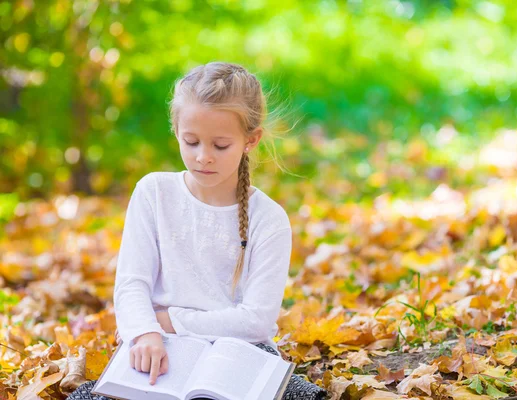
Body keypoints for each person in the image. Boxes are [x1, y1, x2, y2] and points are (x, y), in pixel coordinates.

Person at [67, 62, 327, 400]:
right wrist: (146, 332)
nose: (203, 157)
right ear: (176, 130)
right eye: (191, 142)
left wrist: (171, 320)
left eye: (220, 146)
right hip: (161, 347)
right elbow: (132, 284)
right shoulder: (154, 193)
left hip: (239, 351)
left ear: (251, 140)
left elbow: (256, 322)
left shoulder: (269, 218)